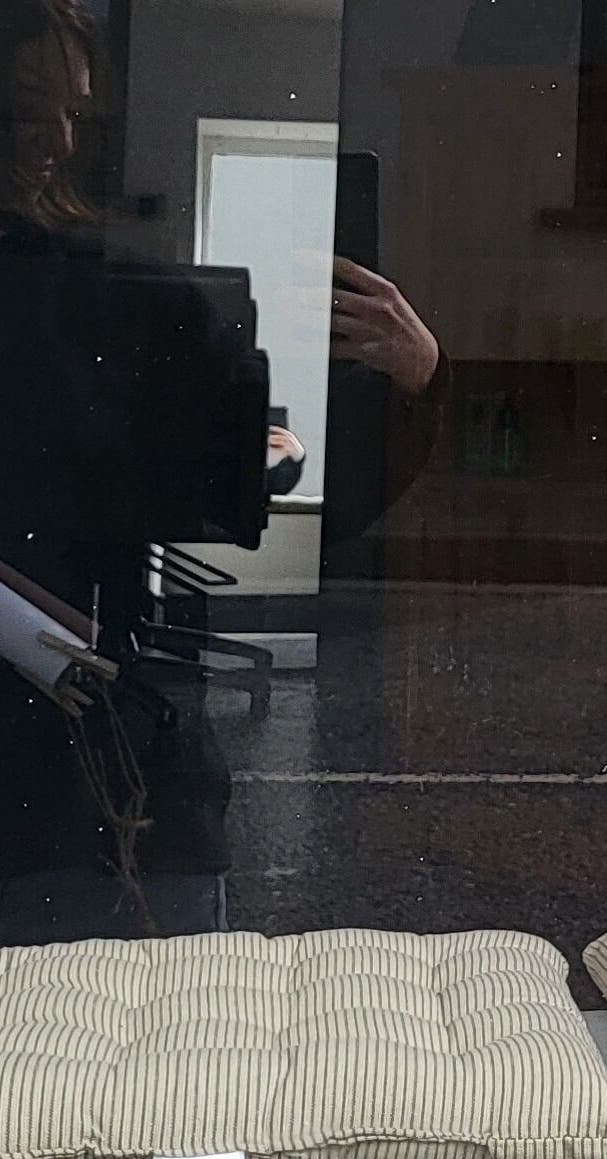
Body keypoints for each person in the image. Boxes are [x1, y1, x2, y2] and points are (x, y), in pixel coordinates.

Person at [0, 0, 443, 945]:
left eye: (75, 113)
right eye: (26, 106)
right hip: (83, 770)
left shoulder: (100, 284)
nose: (56, 139)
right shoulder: (82, 294)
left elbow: (251, 493)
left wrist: (407, 388)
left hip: (106, 753)